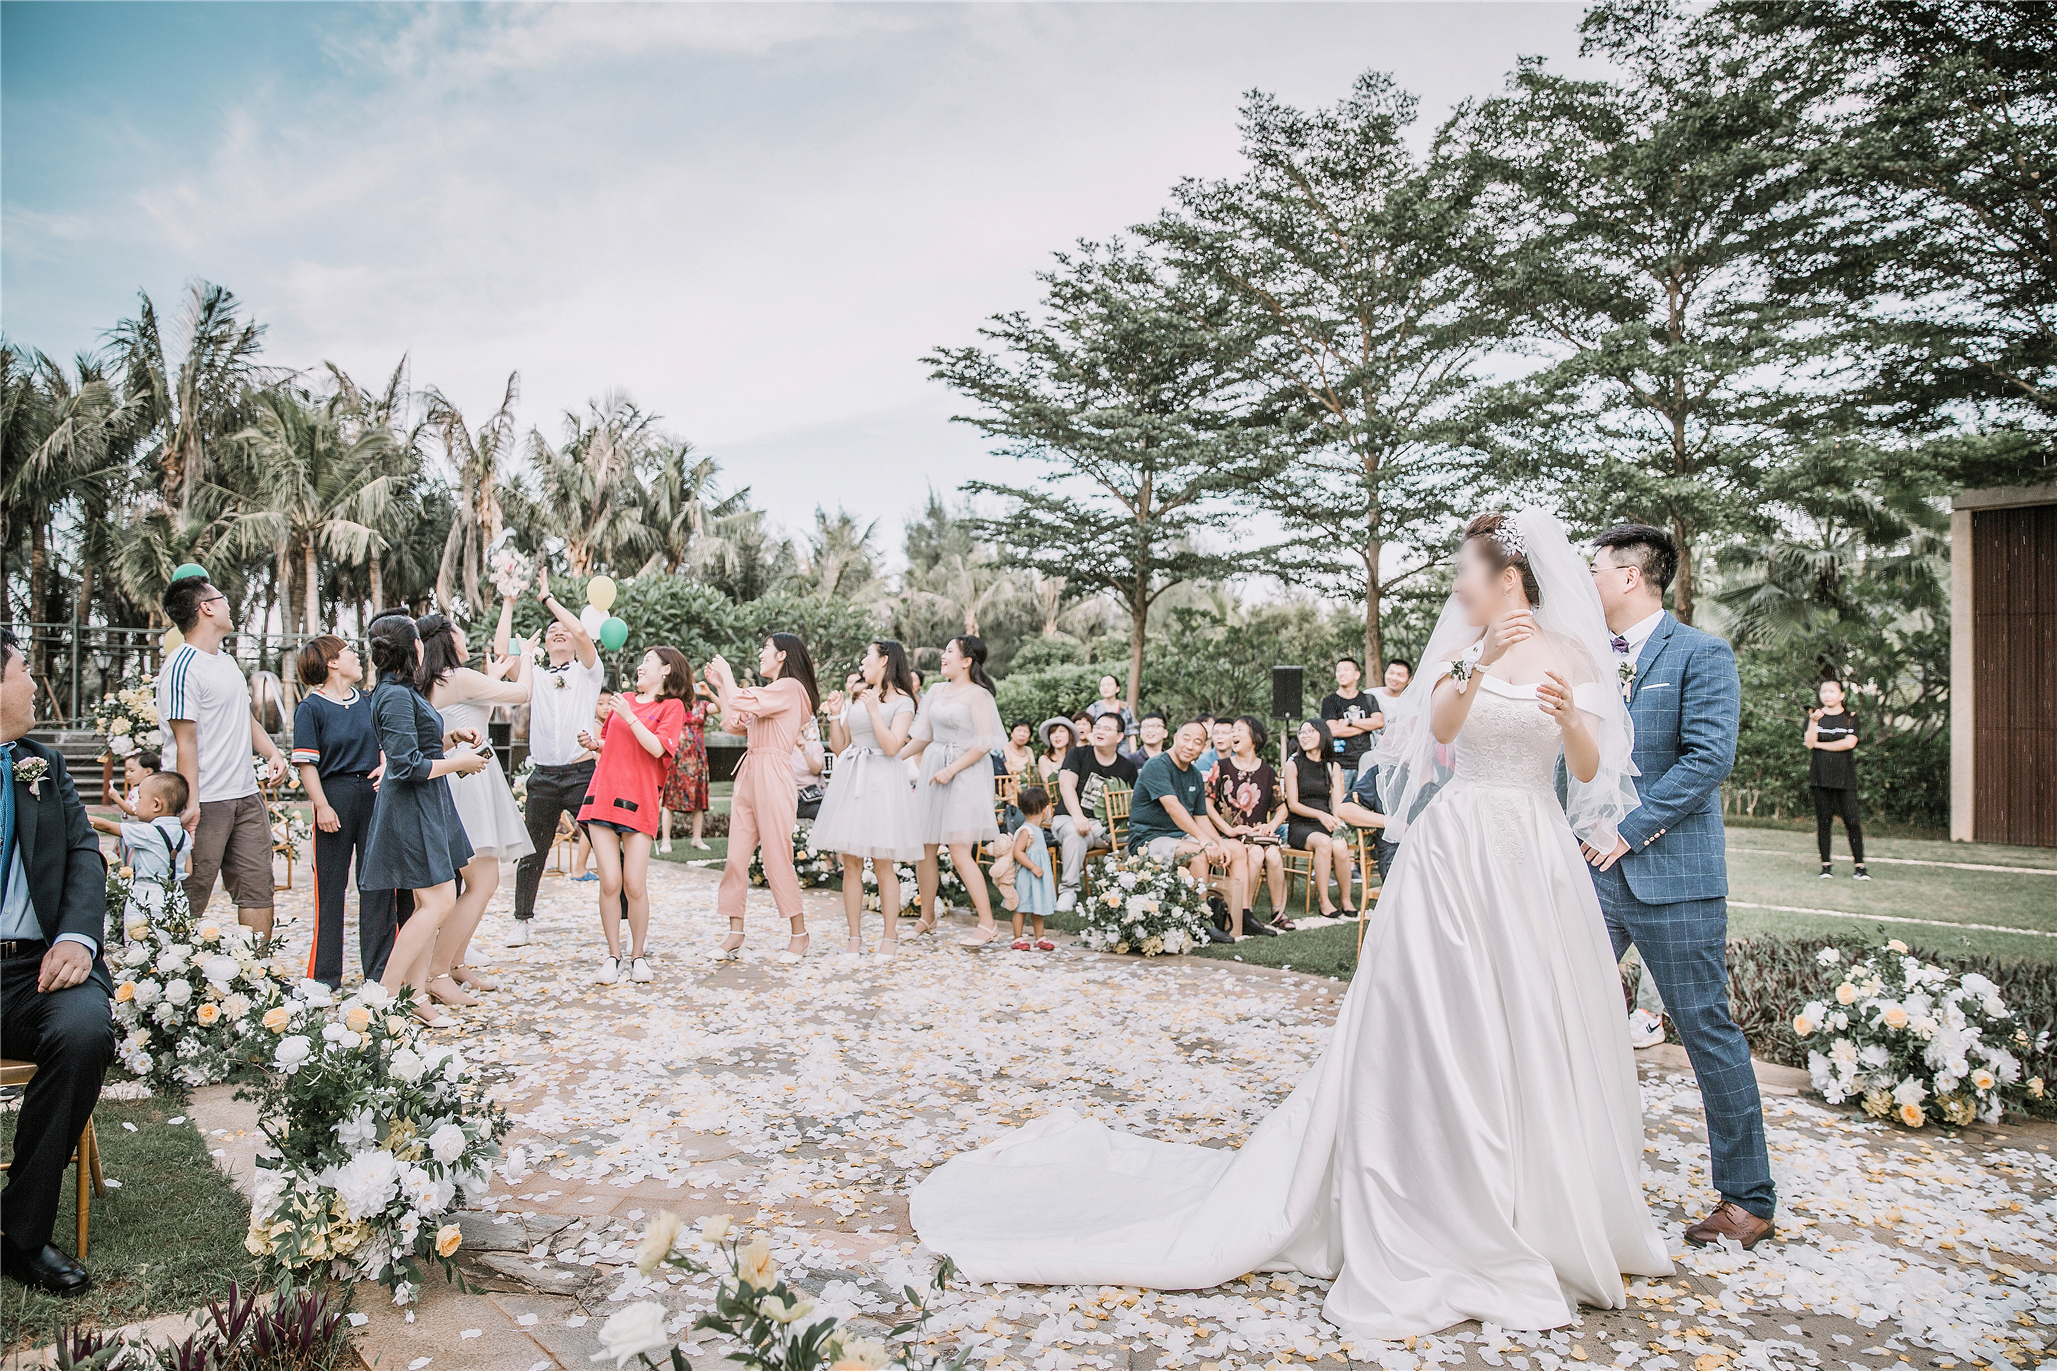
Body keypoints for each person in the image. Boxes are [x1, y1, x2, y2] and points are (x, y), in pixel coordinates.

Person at [913, 507, 1670, 1338]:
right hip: (1456, 846)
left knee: (1527, 1013)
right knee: (1436, 1011)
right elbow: (1443, 733)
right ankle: (1432, 1175)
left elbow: (1588, 768)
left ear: (1509, 576)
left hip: (1530, 847)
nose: (1457, 587)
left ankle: (1531, 1196)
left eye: (1467, 572)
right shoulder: (1462, 652)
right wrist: (1477, 663)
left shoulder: (1571, 655)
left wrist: (1568, 717)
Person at [1587, 520, 1773, 1249]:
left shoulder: (1701, 653)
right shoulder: (1584, 656)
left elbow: (1707, 759)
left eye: (1596, 568)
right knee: (1552, 1008)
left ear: (1631, 575)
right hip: (1589, 874)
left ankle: (1747, 1197)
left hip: (1675, 877)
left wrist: (1627, 829)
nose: (1588, 580)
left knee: (1705, 1029)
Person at [0, 626, 116, 1297]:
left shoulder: (40, 765)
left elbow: (82, 854)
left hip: (37, 969)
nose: (32, 683)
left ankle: (20, 1234)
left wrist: (76, 936)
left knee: (84, 1031)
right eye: (22, 670)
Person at [359, 612, 487, 1028]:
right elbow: (406, 765)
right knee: (439, 901)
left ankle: (414, 997)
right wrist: (460, 763)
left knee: (425, 904)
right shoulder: (394, 696)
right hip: (411, 806)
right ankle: (385, 996)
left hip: (428, 802)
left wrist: (451, 739)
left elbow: (416, 746)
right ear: (413, 647)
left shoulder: (401, 691)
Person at [155, 575, 289, 933]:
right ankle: (172, 962)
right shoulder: (181, 667)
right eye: (222, 598)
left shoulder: (226, 662)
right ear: (207, 608)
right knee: (190, 894)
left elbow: (244, 717)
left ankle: (258, 965)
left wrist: (272, 753)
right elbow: (185, 741)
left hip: (246, 796)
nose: (229, 605)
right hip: (204, 801)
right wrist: (190, 804)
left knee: (258, 890)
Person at [416, 605, 535, 1005]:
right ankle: (437, 972)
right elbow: (523, 694)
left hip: (457, 776)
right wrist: (527, 658)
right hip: (468, 781)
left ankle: (454, 962)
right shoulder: (459, 677)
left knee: (477, 882)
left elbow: (470, 701)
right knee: (482, 882)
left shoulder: (435, 679)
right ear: (447, 640)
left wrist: (494, 675)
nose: (465, 638)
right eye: (459, 632)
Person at [576, 647, 691, 984]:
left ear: (666, 670)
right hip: (603, 796)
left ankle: (637, 955)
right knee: (610, 882)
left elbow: (657, 748)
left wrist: (629, 716)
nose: (640, 667)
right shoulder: (624, 700)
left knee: (634, 885)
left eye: (647, 662)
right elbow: (611, 743)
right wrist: (593, 744)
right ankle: (613, 955)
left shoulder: (672, 707)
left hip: (640, 801)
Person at [292, 635, 401, 987]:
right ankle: (324, 979)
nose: (357, 656)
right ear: (332, 662)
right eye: (348, 651)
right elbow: (306, 764)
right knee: (330, 889)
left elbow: (387, 742)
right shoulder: (311, 708)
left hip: (373, 796)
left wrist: (386, 765)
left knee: (378, 886)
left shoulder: (369, 702)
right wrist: (321, 805)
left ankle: (379, 976)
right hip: (333, 798)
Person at [707, 633, 820, 963]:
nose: (760, 654)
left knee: (776, 856)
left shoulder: (791, 689)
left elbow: (742, 701)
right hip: (750, 772)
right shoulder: (770, 694)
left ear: (782, 655)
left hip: (773, 773)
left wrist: (728, 676)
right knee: (735, 856)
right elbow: (733, 723)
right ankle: (735, 933)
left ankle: (799, 934)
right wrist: (721, 686)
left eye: (766, 648)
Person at [509, 571, 603, 945]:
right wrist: (509, 604)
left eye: (563, 628)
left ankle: (627, 918)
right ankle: (521, 920)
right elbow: (504, 656)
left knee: (605, 846)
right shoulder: (534, 674)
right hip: (544, 777)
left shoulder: (588, 672)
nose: (559, 632)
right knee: (532, 851)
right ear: (545, 644)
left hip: (582, 774)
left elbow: (580, 631)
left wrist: (547, 598)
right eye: (552, 631)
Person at [812, 640, 922, 959]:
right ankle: (854, 936)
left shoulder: (904, 703)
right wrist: (836, 715)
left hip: (882, 782)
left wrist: (874, 711)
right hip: (851, 778)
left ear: (884, 660)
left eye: (867, 656)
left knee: (883, 863)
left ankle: (890, 935)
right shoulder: (861, 696)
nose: (862, 662)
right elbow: (839, 746)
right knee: (851, 863)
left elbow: (892, 747)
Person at [902, 634, 1005, 946]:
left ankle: (988, 924)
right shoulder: (935, 690)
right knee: (925, 848)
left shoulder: (979, 696)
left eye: (949, 651)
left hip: (965, 775)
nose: (943, 656)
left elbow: (983, 744)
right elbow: (923, 736)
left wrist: (951, 769)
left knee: (959, 851)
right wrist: (894, 758)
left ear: (966, 661)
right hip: (934, 771)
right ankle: (927, 918)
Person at [1128, 721, 1237, 923]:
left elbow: (1201, 817)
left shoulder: (1194, 774)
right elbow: (1173, 807)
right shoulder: (1157, 765)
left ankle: (1240, 915)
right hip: (1149, 840)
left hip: (1180, 838)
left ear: (1203, 747)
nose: (1190, 746)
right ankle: (1200, 920)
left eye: (1197, 742)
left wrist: (1219, 843)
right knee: (1199, 853)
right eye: (1186, 739)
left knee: (1235, 849)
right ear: (1176, 738)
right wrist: (1204, 841)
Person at [1205, 716, 1286, 938]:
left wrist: (1271, 825)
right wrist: (1229, 830)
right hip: (1229, 835)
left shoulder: (1268, 771)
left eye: (1239, 730)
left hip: (1258, 835)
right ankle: (1244, 911)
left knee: (1273, 855)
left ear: (1255, 737)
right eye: (1233, 730)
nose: (1233, 734)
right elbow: (1207, 805)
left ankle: (1278, 912)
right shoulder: (1220, 766)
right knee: (1257, 854)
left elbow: (1282, 808)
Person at [1052, 713, 1138, 913]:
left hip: (1102, 826)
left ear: (1119, 736)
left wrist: (1115, 831)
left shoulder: (1127, 767)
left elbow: (1129, 804)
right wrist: (1078, 817)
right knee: (1075, 832)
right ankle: (1068, 891)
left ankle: (1121, 885)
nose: (1100, 731)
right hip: (1069, 818)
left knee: (1134, 838)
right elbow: (1066, 786)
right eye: (1098, 727)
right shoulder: (1077, 754)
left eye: (1107, 729)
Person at [89, 770, 190, 924]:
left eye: (140, 798)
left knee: (138, 934)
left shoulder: (147, 832)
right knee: (172, 936)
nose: (135, 803)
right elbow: (188, 869)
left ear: (156, 805)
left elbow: (108, 826)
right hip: (177, 894)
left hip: (147, 895)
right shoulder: (185, 835)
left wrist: (78, 815)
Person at [1283, 719, 1357, 919]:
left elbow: (1337, 803)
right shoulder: (1293, 764)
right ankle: (1324, 900)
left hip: (1325, 822)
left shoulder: (1333, 766)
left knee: (1340, 846)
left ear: (1323, 735)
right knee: (1324, 843)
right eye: (1302, 732)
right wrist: (1321, 815)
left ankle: (1346, 899)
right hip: (1301, 825)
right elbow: (1293, 804)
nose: (1304, 735)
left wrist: (1337, 822)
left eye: (1310, 731)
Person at [1806, 678, 1867, 880]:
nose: (1827, 695)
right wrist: (1813, 722)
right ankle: (1826, 866)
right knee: (1824, 822)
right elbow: (1809, 742)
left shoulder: (1850, 717)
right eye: (1824, 691)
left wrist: (1821, 745)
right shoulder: (1815, 717)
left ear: (1841, 695)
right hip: (1820, 777)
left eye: (1832, 691)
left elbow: (1849, 743)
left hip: (1845, 778)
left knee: (1852, 821)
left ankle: (1860, 867)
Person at [658, 676, 717, 854]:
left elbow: (722, 707)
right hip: (677, 758)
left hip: (697, 758)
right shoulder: (675, 705)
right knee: (670, 800)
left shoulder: (702, 706)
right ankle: (666, 840)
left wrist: (709, 693)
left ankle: (697, 838)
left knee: (699, 800)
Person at [1005, 786, 1056, 952]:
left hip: (1036, 878)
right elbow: (1017, 852)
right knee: (1021, 907)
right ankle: (1017, 938)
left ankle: (1039, 937)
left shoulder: (1037, 830)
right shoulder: (1027, 831)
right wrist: (1033, 866)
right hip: (1026, 877)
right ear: (1044, 809)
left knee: (1037, 907)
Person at [1320, 657, 1384, 776]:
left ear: (1357, 674)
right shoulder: (1330, 701)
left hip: (1366, 761)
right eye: (1338, 670)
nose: (1341, 673)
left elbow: (1379, 722)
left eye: (1346, 669)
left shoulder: (1368, 699)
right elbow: (1334, 730)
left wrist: (1350, 722)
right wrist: (1367, 726)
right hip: (1340, 763)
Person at [1083, 675, 1136, 747]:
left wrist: (1133, 752)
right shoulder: (1094, 708)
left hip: (1122, 750)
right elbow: (1087, 731)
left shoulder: (1125, 707)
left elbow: (1131, 733)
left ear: (1117, 688)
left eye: (1109, 684)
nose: (1105, 687)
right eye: (1102, 685)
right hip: (1099, 749)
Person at [111, 750, 158, 819]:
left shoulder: (148, 791)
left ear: (148, 771)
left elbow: (134, 811)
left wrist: (117, 798)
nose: (127, 774)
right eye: (126, 770)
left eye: (131, 770)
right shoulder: (137, 787)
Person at [1035, 719, 1073, 787]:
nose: (1057, 735)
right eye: (1052, 732)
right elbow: (1051, 785)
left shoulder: (1076, 757)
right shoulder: (1045, 760)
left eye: (1061, 731)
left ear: (1069, 735)